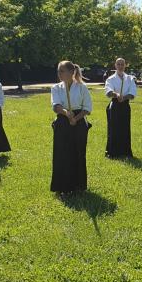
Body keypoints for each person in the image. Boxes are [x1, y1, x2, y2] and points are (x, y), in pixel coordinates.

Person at [50, 61, 92, 193]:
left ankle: (78, 186)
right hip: (63, 121)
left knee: (78, 152)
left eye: (62, 71)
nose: (59, 74)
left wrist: (76, 118)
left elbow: (87, 107)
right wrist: (66, 114)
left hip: (79, 122)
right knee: (62, 153)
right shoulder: (56, 88)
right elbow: (56, 105)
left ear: (71, 72)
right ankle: (62, 186)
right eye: (58, 71)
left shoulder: (81, 87)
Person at [104, 57, 137, 158]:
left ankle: (125, 152)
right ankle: (112, 152)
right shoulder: (110, 79)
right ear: (115, 65)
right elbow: (108, 92)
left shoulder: (130, 79)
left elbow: (132, 93)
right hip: (114, 105)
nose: (120, 66)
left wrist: (125, 97)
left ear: (125, 65)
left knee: (125, 128)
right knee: (113, 128)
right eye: (118, 64)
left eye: (122, 64)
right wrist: (117, 95)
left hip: (125, 105)